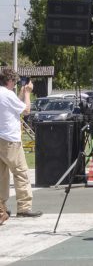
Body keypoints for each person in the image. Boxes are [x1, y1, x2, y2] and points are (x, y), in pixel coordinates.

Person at [0, 68, 42, 225]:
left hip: (0, 138)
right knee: (21, 173)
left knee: (2, 176)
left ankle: (2, 208)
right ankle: (24, 207)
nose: (16, 84)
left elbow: (13, 106)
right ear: (9, 81)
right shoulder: (8, 94)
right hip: (10, 140)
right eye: (15, 82)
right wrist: (28, 93)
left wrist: (21, 94)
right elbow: (26, 110)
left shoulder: (4, 94)